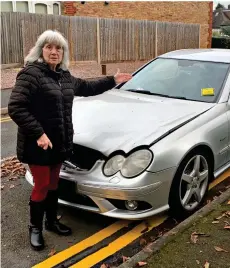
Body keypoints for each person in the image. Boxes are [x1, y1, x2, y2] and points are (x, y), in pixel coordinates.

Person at [7, 30, 132, 251]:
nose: (54, 52)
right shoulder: (31, 74)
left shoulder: (64, 75)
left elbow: (86, 87)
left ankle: (52, 221)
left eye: (59, 48)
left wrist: (112, 80)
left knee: (54, 183)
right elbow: (16, 107)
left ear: (63, 52)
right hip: (38, 144)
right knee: (42, 184)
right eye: (49, 47)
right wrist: (38, 133)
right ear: (41, 49)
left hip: (59, 142)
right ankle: (35, 228)